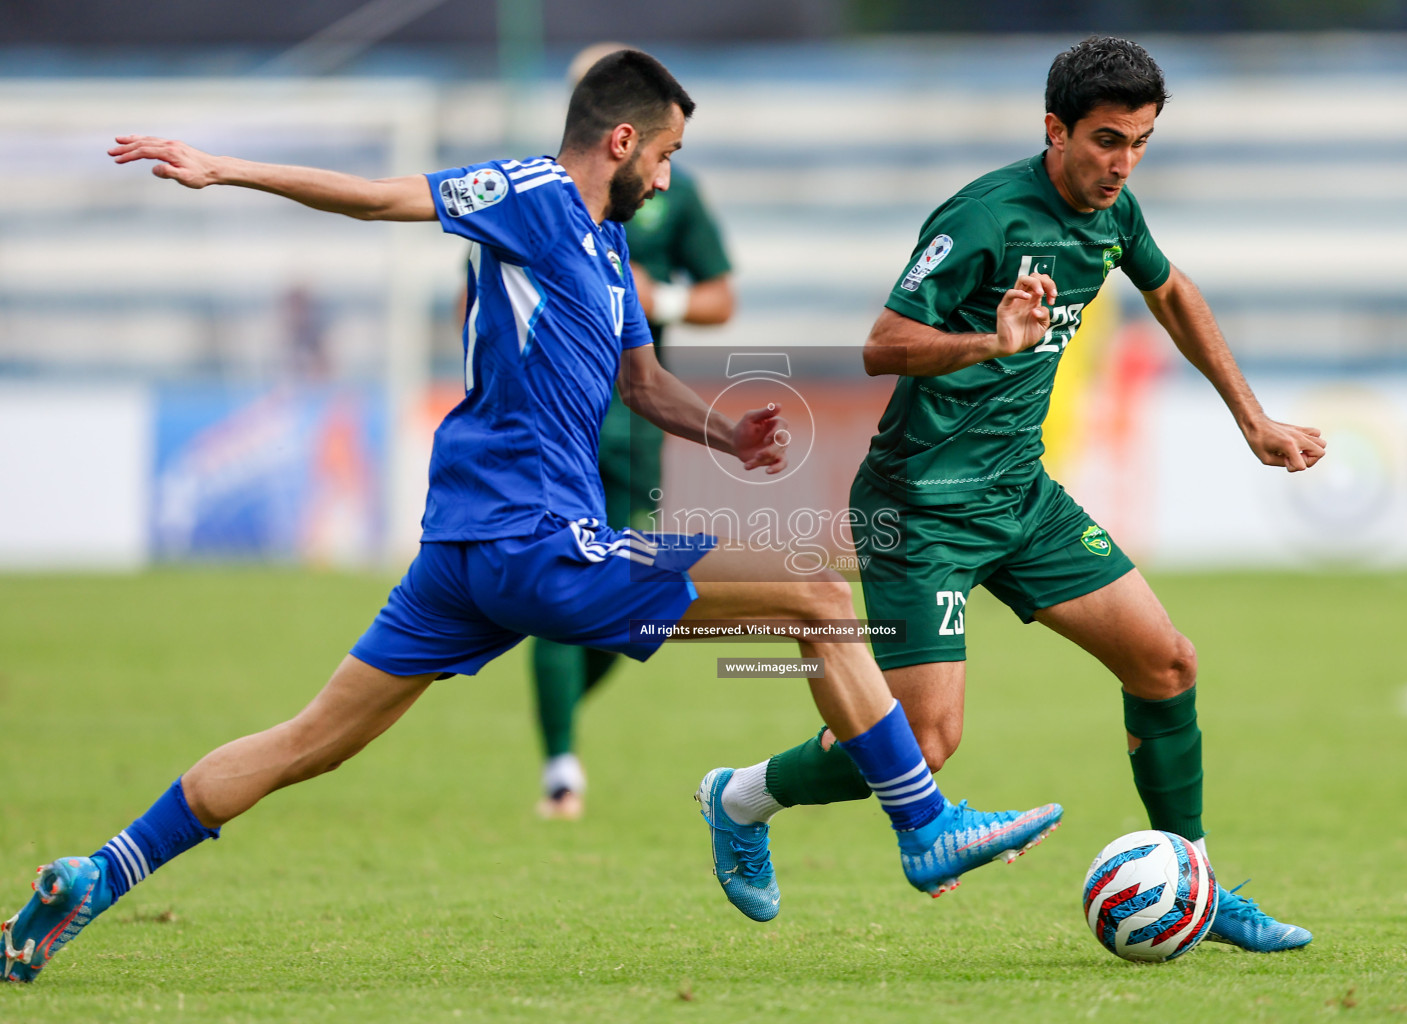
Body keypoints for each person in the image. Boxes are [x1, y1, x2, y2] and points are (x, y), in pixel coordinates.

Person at [1, 50, 1056, 984]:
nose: (672, 178)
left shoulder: (602, 253)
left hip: (462, 554)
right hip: (530, 536)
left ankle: (95, 878)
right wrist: (225, 166)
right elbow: (382, 197)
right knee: (821, 593)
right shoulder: (541, 193)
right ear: (625, 139)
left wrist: (727, 438)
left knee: (309, 741)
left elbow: (640, 384)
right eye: (670, 154)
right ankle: (915, 824)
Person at [699, 37, 1323, 953]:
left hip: (1021, 497)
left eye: (1140, 142)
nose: (1122, 164)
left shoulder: (1115, 214)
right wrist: (989, 343)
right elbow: (882, 342)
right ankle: (738, 797)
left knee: (1167, 664)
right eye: (1107, 140)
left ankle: (1194, 878)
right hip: (924, 507)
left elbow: (1172, 289)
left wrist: (1252, 419)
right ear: (1054, 129)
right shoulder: (986, 217)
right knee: (923, 739)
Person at [531, 43, 736, 821]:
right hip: (563, 421)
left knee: (641, 602)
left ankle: (559, 717)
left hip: (641, 417)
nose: (663, 173)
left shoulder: (670, 196)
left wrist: (665, 300)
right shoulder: (540, 201)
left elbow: (722, 298)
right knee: (565, 580)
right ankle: (560, 763)